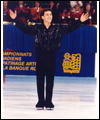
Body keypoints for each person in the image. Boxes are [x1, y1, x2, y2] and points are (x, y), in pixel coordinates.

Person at [9, 8, 89, 110]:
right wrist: (16, 19)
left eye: (50, 14)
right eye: (47, 15)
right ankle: (41, 101)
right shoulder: (37, 29)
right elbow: (25, 28)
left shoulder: (57, 29)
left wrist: (80, 21)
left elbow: (70, 28)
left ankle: (49, 101)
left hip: (51, 56)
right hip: (40, 56)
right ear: (42, 17)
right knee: (40, 80)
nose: (49, 16)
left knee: (50, 80)